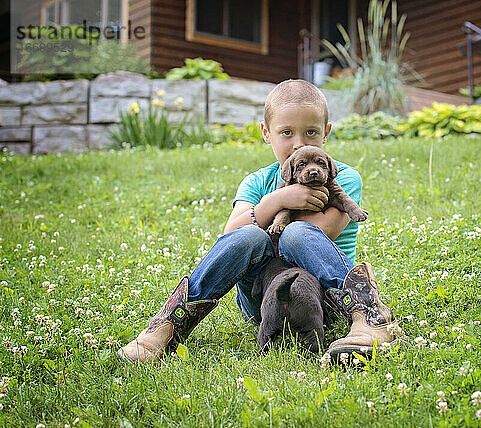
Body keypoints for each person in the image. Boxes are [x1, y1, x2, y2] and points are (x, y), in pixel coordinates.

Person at [117, 79, 400, 363]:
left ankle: (369, 316)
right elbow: (230, 236)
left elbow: (322, 231)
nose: (298, 142)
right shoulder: (257, 182)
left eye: (310, 132)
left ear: (326, 133)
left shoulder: (343, 177)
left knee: (296, 234)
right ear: (266, 133)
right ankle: (168, 325)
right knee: (248, 236)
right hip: (261, 301)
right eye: (286, 132)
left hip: (326, 300)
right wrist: (276, 201)